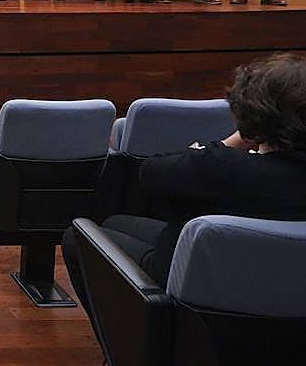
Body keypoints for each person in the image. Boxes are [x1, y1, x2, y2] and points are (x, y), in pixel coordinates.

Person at [62, 53, 306, 355]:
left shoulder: (221, 167)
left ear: (253, 120)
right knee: (116, 224)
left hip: (192, 294)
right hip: (289, 303)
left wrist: (233, 143)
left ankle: (128, 351)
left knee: (78, 237)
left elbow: (151, 174)